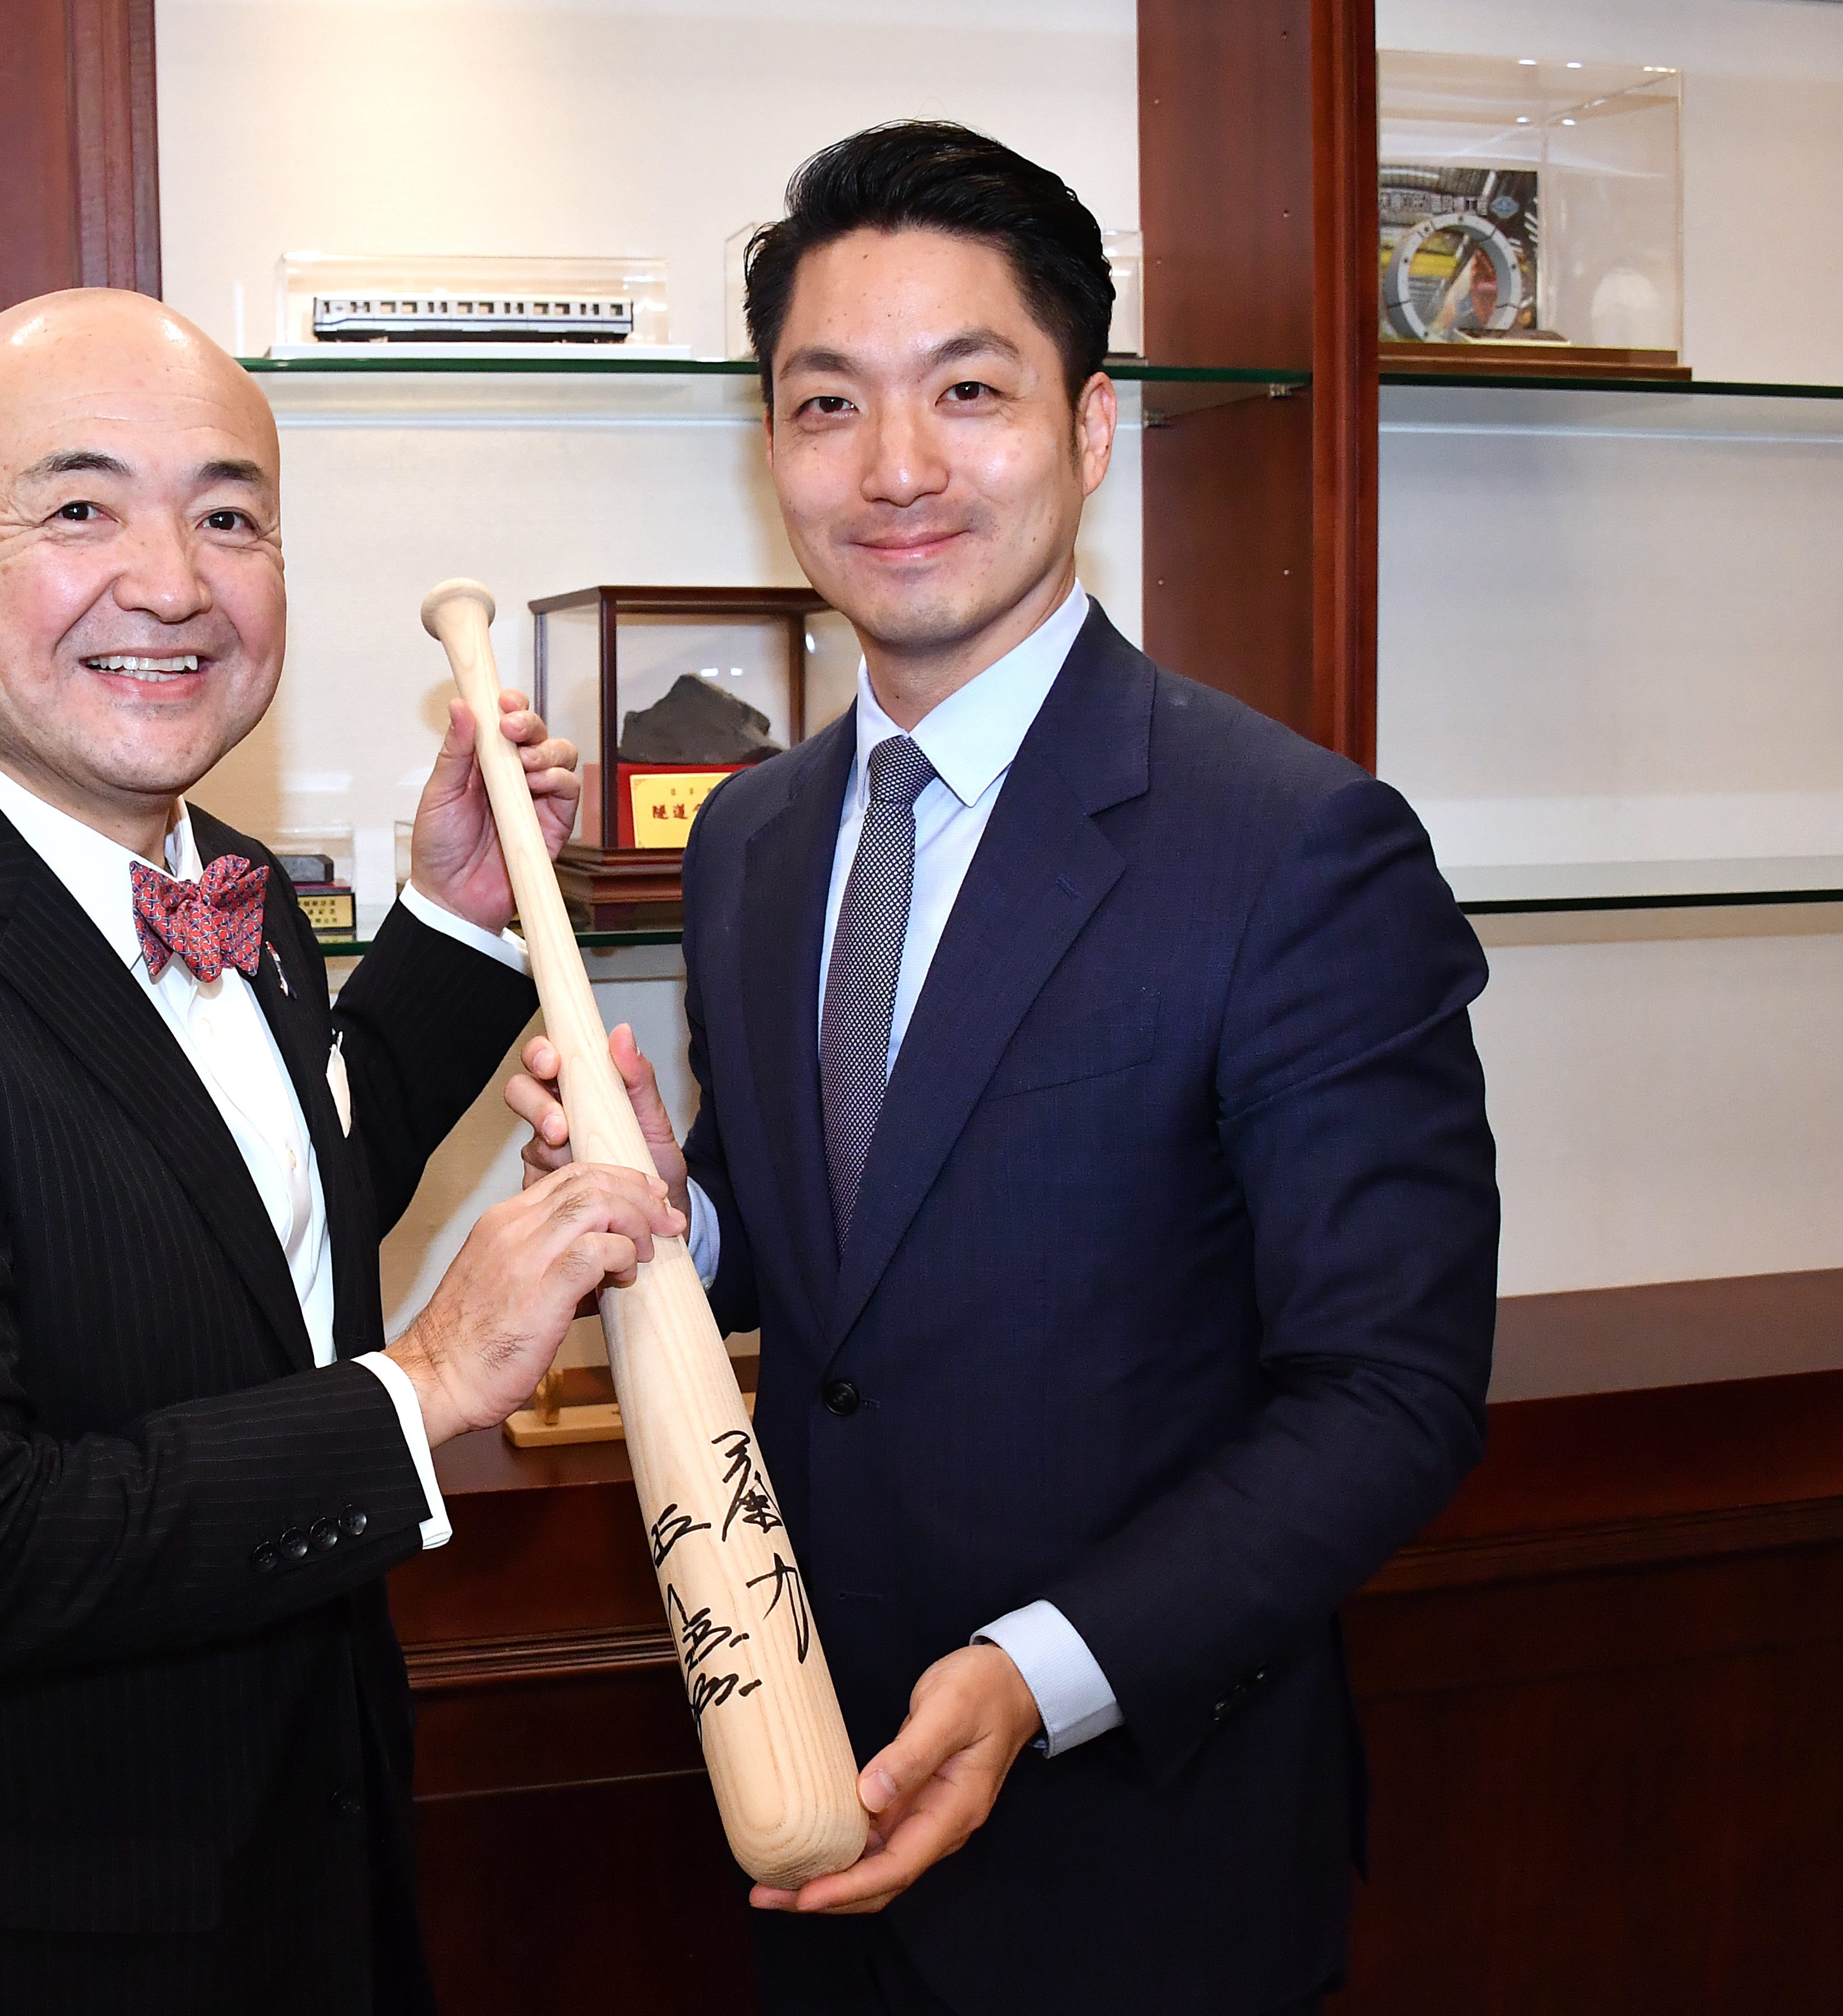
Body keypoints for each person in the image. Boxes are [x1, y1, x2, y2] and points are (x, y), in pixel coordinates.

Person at [508, 123, 1499, 2014]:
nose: (895, 467)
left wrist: (1037, 1674)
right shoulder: (755, 837)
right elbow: (836, 1261)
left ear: (1090, 425)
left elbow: (1391, 1395)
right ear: (774, 447)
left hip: (1147, 1862)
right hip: (803, 1801)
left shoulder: (1296, 846)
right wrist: (677, 1209)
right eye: (828, 405)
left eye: (968, 391)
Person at [0, 288, 679, 2016]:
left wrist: (456, 921)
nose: (175, 582)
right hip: (21, 1949)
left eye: (229, 517)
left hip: (311, 1867)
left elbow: (256, 1209)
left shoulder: (232, 896)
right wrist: (429, 1380)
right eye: (78, 507)